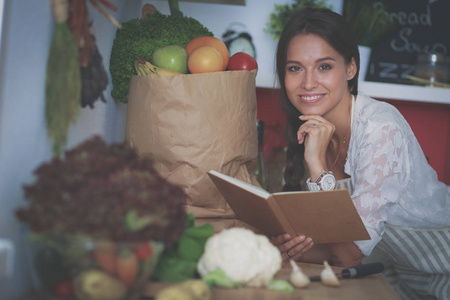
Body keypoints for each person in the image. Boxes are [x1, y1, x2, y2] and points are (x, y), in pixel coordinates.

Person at [269, 7, 450, 299]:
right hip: (394, 276)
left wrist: (317, 166)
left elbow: (348, 254)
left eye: (324, 66)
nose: (308, 82)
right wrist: (282, 249)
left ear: (350, 68)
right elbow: (339, 246)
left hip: (444, 273)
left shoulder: (380, 128)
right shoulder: (315, 131)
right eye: (295, 68)